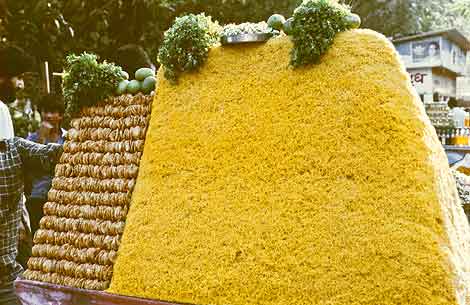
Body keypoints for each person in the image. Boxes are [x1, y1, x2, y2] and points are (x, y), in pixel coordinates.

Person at [0, 46, 63, 305]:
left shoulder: (4, 115)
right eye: (18, 76)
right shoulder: (13, 147)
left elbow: (50, 154)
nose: (21, 84)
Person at [26, 94, 65, 236]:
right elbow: (28, 167)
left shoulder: (68, 138)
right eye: (45, 111)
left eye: (53, 112)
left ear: (60, 116)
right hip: (38, 198)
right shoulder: (31, 139)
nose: (48, 116)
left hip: (62, 198)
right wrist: (41, 139)